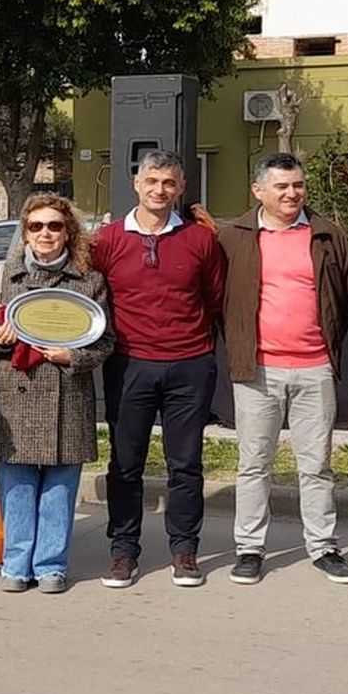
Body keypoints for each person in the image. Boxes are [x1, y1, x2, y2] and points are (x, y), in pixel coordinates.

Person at [217, 153, 348, 586]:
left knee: (316, 465)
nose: (292, 193)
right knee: (254, 463)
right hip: (257, 370)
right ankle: (250, 548)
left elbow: (347, 294)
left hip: (315, 368)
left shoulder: (327, 235)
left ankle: (323, 546)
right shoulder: (233, 237)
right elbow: (215, 299)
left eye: (297, 185)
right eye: (281, 186)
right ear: (258, 191)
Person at [93, 149, 227, 588]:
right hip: (129, 364)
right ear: (136, 184)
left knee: (185, 465)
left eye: (169, 183)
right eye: (152, 181)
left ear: (181, 187)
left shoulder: (201, 240)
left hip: (189, 364)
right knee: (126, 464)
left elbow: (214, 299)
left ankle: (185, 550)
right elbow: (94, 301)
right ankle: (123, 551)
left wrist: (199, 350)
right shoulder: (108, 240)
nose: (160, 190)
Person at [0, 194, 114, 593]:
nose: (45, 234)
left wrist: (74, 355)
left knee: (59, 489)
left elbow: (105, 342)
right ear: (25, 232)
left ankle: (51, 565)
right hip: (13, 398)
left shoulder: (90, 281)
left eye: (54, 226)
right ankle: (15, 564)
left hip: (67, 394)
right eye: (36, 226)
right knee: (16, 486)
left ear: (68, 232)